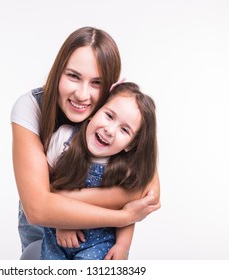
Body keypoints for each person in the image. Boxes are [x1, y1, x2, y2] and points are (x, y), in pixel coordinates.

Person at [11, 26, 161, 259]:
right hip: (44, 230)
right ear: (58, 71)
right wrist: (125, 215)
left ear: (111, 86)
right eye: (73, 76)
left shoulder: (118, 113)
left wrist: (58, 205)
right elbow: (38, 208)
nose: (82, 94)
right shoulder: (31, 108)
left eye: (96, 82)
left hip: (100, 240)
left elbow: (146, 192)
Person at [41, 81, 158, 260]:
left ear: (131, 145)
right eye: (109, 116)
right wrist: (61, 221)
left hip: (99, 244)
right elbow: (43, 187)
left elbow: (128, 213)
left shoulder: (124, 168)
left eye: (124, 130)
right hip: (57, 239)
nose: (110, 131)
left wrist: (122, 246)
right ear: (94, 112)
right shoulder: (64, 140)